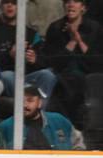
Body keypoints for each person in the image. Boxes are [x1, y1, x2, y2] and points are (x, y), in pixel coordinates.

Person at [43, 0, 103, 129]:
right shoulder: (55, 28)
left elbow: (96, 61)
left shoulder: (94, 28)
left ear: (83, 8)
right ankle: (71, 126)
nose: (71, 5)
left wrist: (78, 39)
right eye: (68, 2)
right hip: (61, 72)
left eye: (76, 1)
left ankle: (71, 125)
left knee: (75, 79)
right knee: (66, 80)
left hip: (87, 71)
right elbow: (52, 61)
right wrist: (72, 42)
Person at [0, 0, 56, 103]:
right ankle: (27, 106)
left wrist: (34, 60)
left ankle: (38, 112)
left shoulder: (31, 33)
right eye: (6, 2)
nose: (10, 6)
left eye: (14, 3)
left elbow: (44, 61)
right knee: (7, 75)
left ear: (21, 7)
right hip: (3, 77)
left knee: (48, 75)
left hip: (27, 77)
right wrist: (9, 55)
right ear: (1, 6)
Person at [0, 84, 85, 149]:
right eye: (20, 100)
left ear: (40, 103)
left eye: (30, 100)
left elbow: (78, 144)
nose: (24, 105)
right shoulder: (5, 127)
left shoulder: (59, 120)